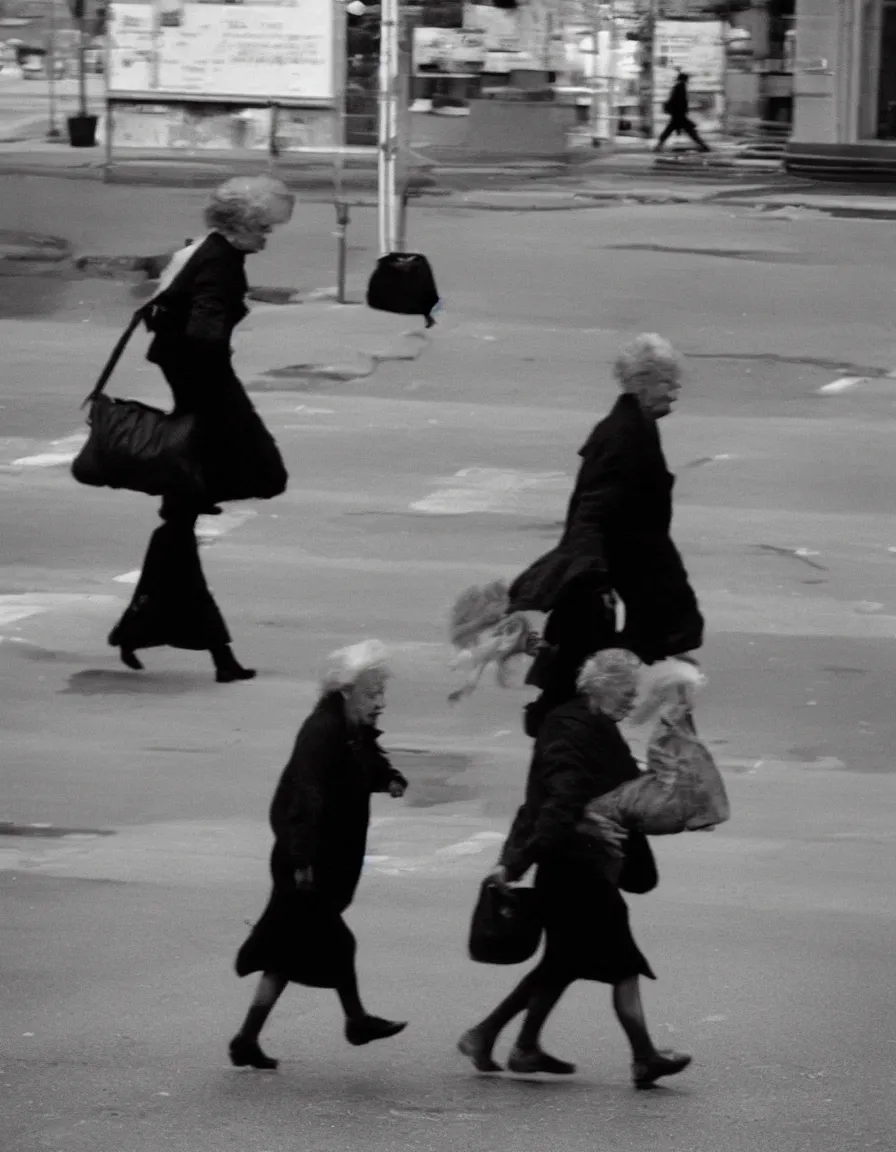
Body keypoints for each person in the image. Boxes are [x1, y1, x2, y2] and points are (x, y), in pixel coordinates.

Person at [458, 648, 692, 1089]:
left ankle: (499, 1038)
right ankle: (643, 1056)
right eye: (626, 692)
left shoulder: (595, 723)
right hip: (571, 865)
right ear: (600, 686)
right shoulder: (570, 727)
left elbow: (615, 781)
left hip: (584, 863)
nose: (631, 702)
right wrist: (522, 859)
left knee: (561, 963)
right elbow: (558, 795)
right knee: (621, 962)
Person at [108, 175, 294, 682]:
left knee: (180, 524)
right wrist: (209, 407)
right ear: (243, 225)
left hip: (197, 386)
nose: (267, 238)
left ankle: (172, 633)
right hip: (207, 388)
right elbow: (203, 333)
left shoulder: (203, 251)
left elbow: (169, 320)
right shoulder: (219, 261)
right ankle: (193, 493)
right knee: (265, 472)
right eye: (264, 228)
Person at [508, 333, 704, 737]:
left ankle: (583, 735)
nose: (676, 389)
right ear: (641, 382)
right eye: (667, 381)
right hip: (606, 580)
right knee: (582, 675)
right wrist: (589, 576)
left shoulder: (637, 427)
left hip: (626, 578)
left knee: (598, 670)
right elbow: (592, 510)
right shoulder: (623, 435)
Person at [230, 641, 410, 1070]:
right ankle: (356, 1020)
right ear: (346, 691)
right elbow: (305, 795)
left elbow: (361, 764)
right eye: (372, 694)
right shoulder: (322, 731)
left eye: (382, 693)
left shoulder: (349, 729)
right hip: (306, 863)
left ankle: (246, 1040)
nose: (380, 703)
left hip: (319, 860)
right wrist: (302, 860)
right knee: (337, 943)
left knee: (283, 957)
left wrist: (388, 778)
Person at [655, 72, 711, 154]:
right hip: (679, 115)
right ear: (685, 79)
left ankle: (658, 145)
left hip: (677, 115)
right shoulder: (681, 87)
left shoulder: (677, 87)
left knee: (670, 131)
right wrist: (683, 112)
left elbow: (675, 101)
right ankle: (704, 146)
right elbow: (680, 102)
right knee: (690, 131)